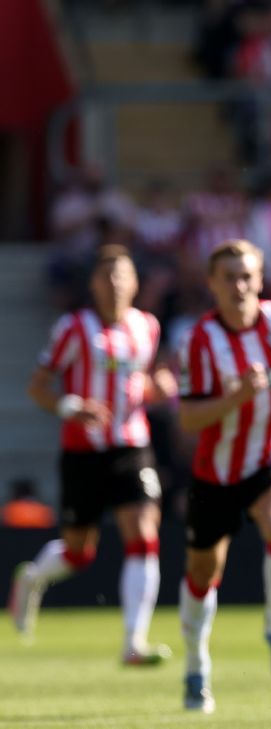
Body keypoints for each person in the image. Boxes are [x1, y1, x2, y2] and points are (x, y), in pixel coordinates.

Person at [175, 239, 271, 713]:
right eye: (229, 277)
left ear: (260, 280)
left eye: (247, 276)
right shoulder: (201, 340)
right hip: (215, 473)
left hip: (270, 459)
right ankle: (196, 666)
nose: (239, 285)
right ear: (211, 284)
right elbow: (189, 419)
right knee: (203, 571)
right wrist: (235, 399)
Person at [10, 245, 173, 665]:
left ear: (135, 283)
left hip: (132, 445)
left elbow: (143, 383)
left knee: (143, 533)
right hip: (83, 450)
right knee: (80, 553)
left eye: (122, 275)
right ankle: (32, 578)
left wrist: (160, 387)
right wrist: (70, 407)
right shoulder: (74, 328)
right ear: (93, 285)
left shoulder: (147, 327)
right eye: (106, 276)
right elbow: (38, 386)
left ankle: (133, 643)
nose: (115, 284)